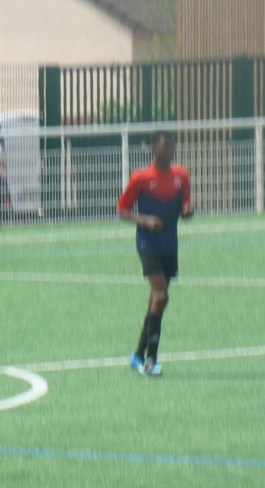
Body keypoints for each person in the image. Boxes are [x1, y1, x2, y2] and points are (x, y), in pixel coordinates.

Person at [117, 130, 193, 376]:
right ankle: (151, 360)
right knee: (161, 296)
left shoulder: (181, 176)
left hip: (169, 244)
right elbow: (122, 210)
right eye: (163, 147)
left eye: (171, 146)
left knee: (156, 301)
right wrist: (145, 220)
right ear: (153, 149)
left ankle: (138, 355)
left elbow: (184, 207)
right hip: (147, 244)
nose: (168, 151)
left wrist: (188, 211)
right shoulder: (140, 178)